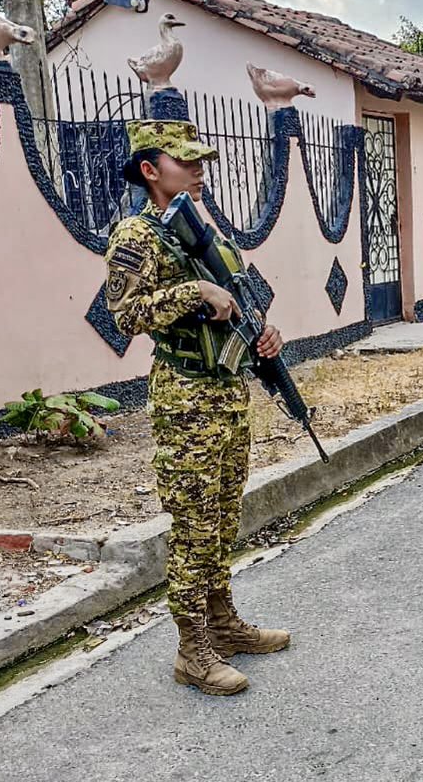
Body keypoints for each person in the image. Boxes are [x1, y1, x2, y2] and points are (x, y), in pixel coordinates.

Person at [106, 120, 290, 697]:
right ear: (150, 170)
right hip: (186, 397)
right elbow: (123, 315)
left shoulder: (203, 233)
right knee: (192, 526)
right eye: (186, 161)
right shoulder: (136, 237)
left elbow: (243, 300)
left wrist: (266, 333)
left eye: (202, 160)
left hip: (228, 391)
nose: (200, 169)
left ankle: (223, 624)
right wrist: (195, 293)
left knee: (222, 518)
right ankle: (192, 650)